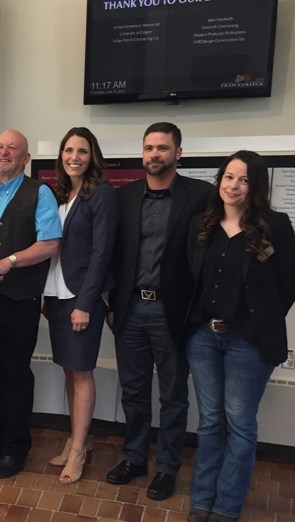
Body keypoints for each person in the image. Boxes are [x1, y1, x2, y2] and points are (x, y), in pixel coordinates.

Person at [185, 150, 295, 522]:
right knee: (209, 421)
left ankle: (228, 504)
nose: (233, 185)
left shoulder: (275, 227)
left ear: (256, 185)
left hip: (247, 343)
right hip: (204, 338)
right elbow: (190, 279)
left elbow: (288, 284)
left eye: (244, 179)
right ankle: (202, 497)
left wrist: (260, 323)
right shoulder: (203, 224)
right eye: (229, 177)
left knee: (239, 422)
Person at [107, 122, 213, 500]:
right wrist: (111, 302)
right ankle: (135, 458)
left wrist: (199, 311)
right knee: (133, 391)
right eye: (149, 148)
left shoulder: (201, 195)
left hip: (173, 312)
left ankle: (167, 468)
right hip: (131, 309)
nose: (155, 154)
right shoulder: (125, 196)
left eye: (163, 148)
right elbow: (113, 254)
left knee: (173, 396)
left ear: (178, 153)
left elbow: (209, 257)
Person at [0, 129, 62, 479]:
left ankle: (16, 449)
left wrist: (10, 261)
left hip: (18, 300)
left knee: (16, 376)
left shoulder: (39, 193)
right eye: (0, 147)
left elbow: (50, 244)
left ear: (25, 159)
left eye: (13, 149)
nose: (5, 152)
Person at [43, 127, 118, 484]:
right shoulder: (61, 194)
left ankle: (79, 451)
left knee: (82, 372)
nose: (74, 157)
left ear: (93, 156)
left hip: (82, 298)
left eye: (82, 151)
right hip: (57, 296)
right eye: (69, 150)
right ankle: (75, 439)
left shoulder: (101, 195)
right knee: (69, 371)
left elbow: (103, 253)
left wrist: (86, 303)